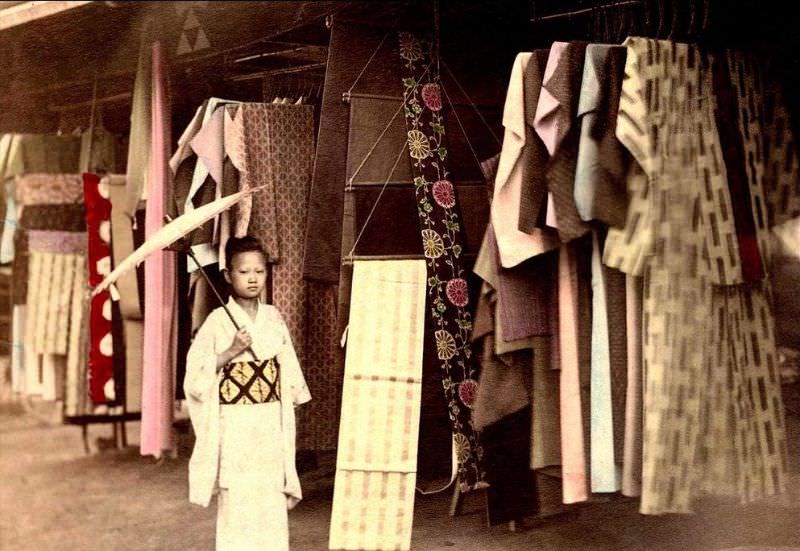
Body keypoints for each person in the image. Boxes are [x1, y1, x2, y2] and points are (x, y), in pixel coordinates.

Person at [184, 235, 311, 550]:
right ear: (228, 275)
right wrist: (230, 351)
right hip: (235, 424)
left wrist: (288, 406)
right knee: (239, 500)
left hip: (268, 421)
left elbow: (288, 371)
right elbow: (194, 379)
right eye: (244, 272)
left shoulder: (273, 318)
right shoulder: (216, 322)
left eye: (259, 271)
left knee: (270, 497)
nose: (253, 278)